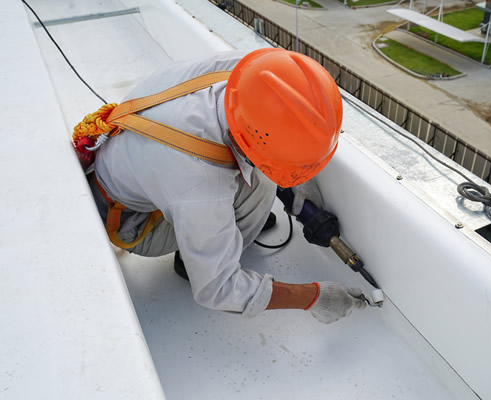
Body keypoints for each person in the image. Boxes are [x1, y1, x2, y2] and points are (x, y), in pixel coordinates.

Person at [81, 49, 366, 324]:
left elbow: (286, 118)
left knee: (256, 178)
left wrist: (300, 173)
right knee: (262, 185)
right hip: (132, 220)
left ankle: (218, 231)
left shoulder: (254, 71)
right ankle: (193, 259)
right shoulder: (199, 184)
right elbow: (217, 289)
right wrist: (314, 297)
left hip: (132, 161)